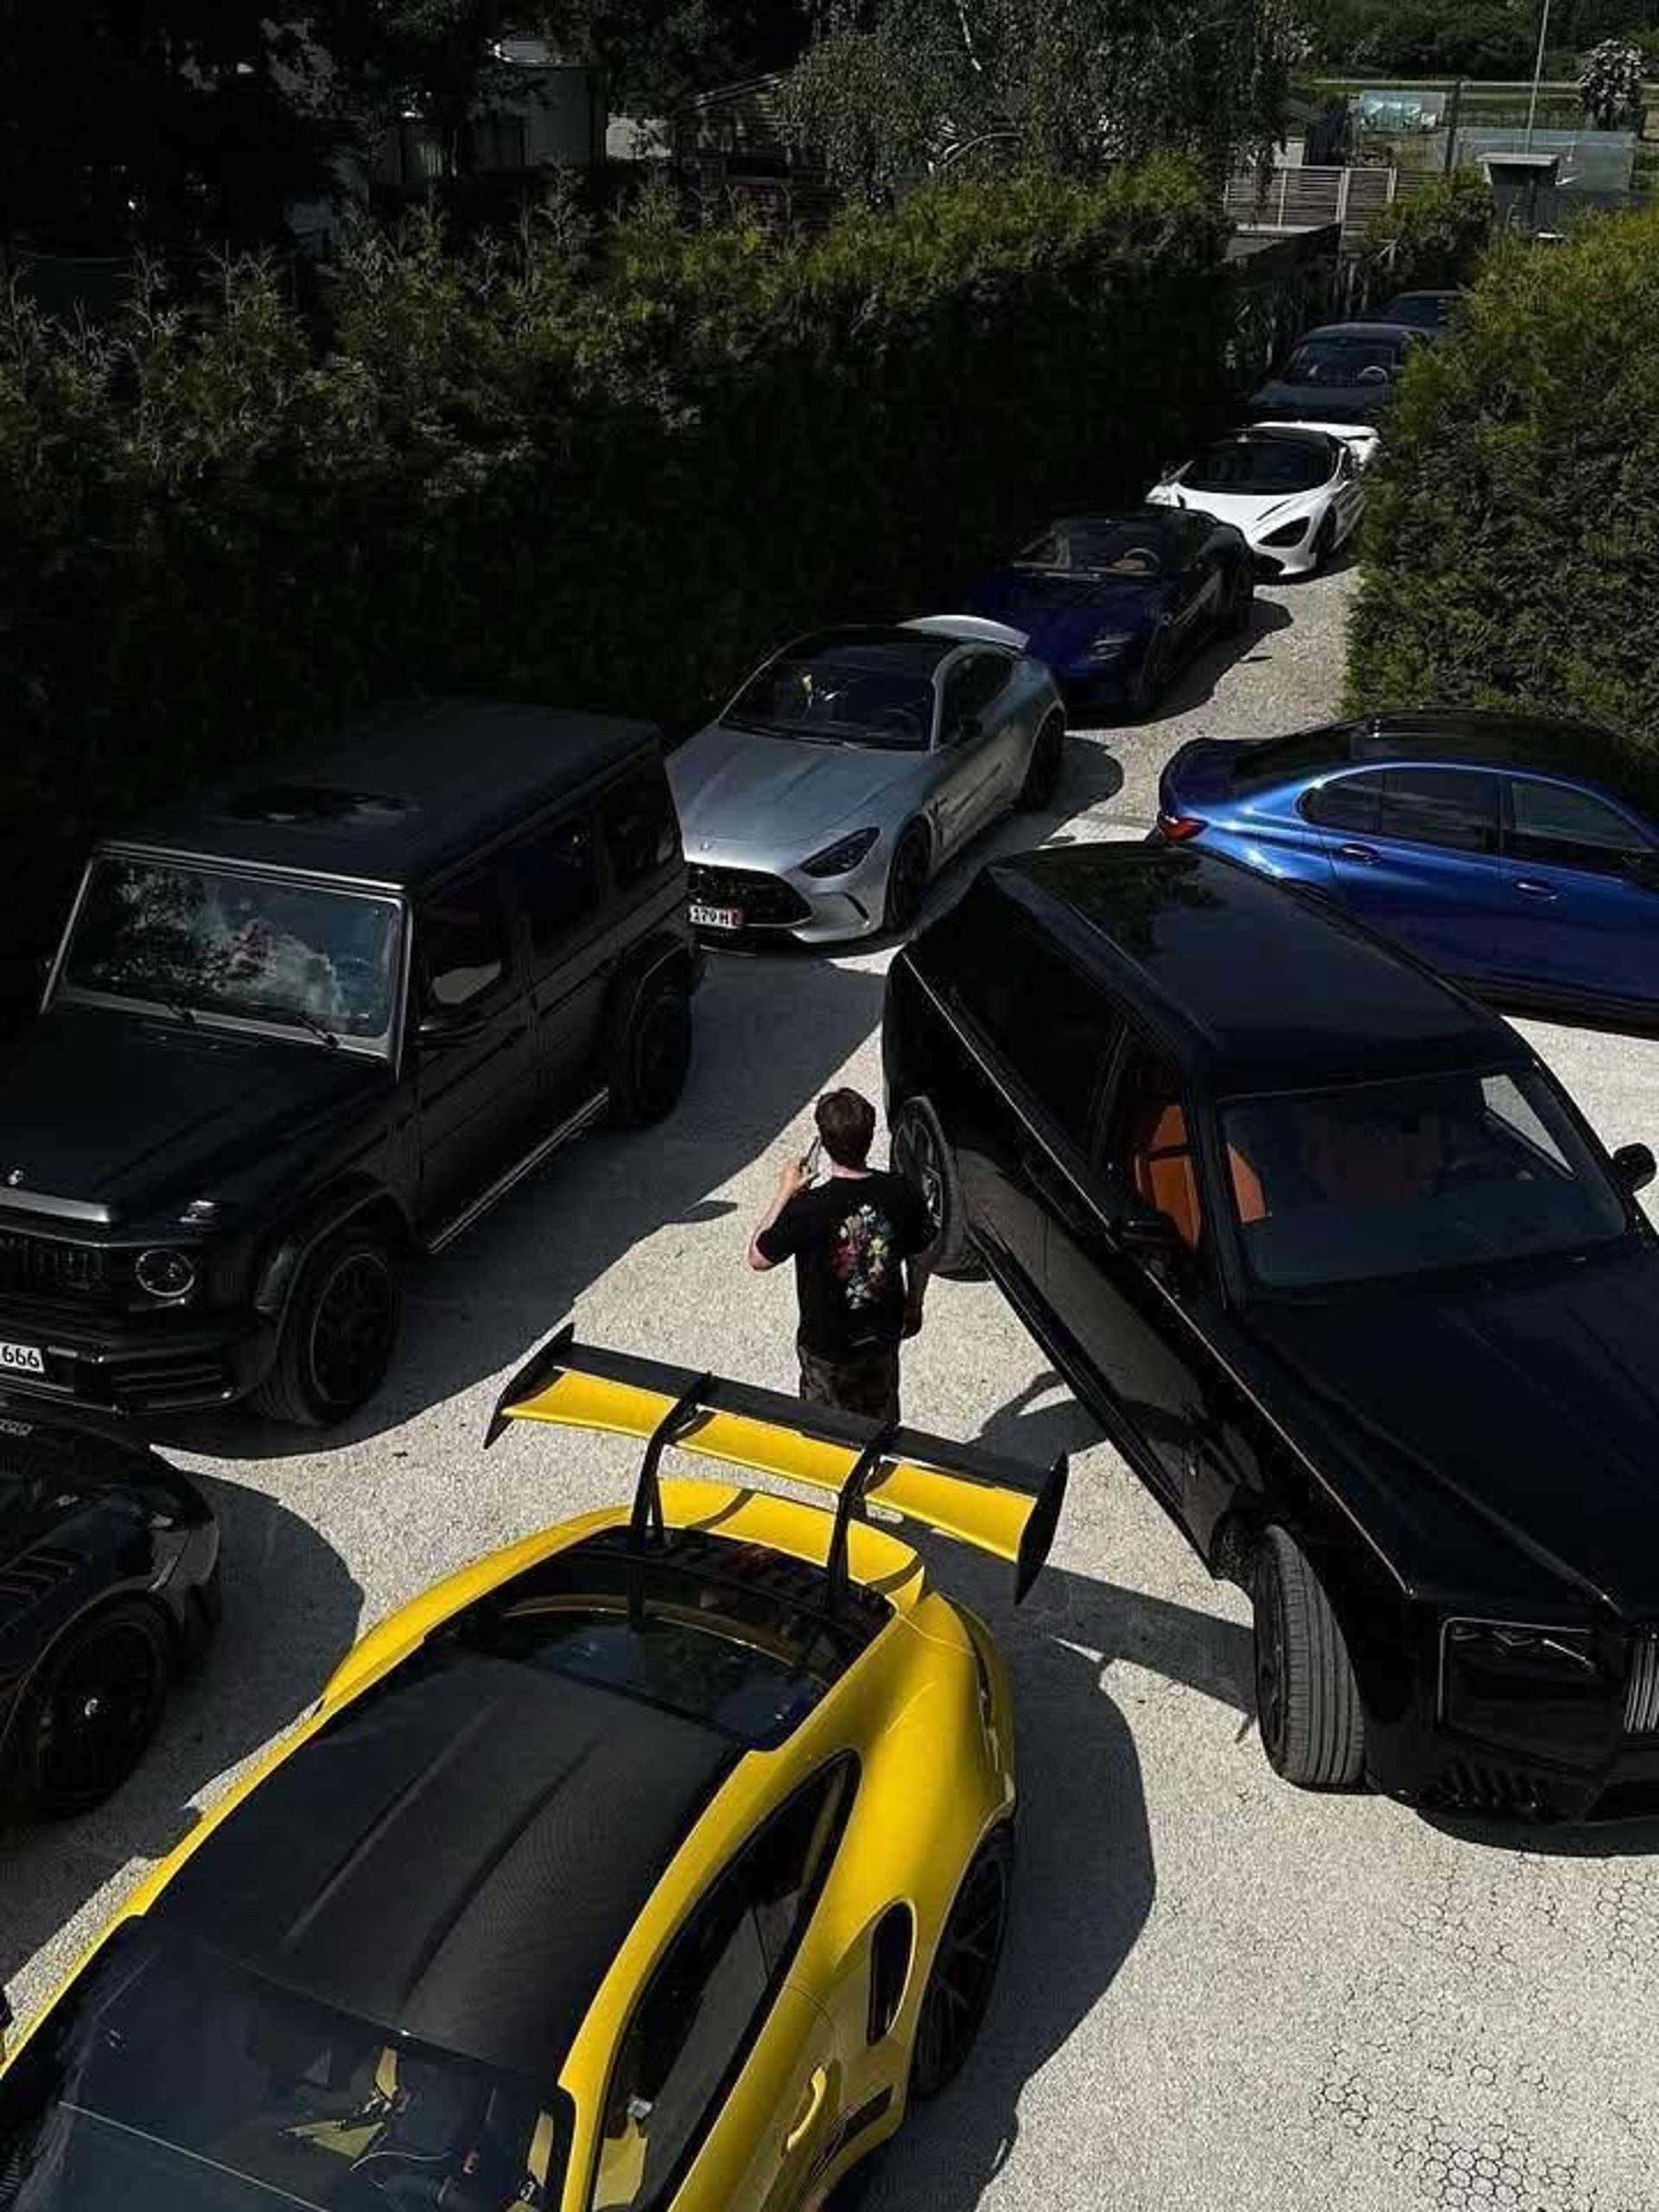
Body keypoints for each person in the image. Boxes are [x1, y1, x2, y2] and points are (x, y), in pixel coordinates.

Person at [747, 1087, 931, 1422]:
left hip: (827, 1347)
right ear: (870, 1135)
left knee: (824, 1435)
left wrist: (784, 1193)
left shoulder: (807, 1209)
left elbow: (758, 1258)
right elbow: (921, 1253)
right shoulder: (901, 1191)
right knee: (881, 1429)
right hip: (882, 1337)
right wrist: (915, 1301)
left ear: (825, 1143)